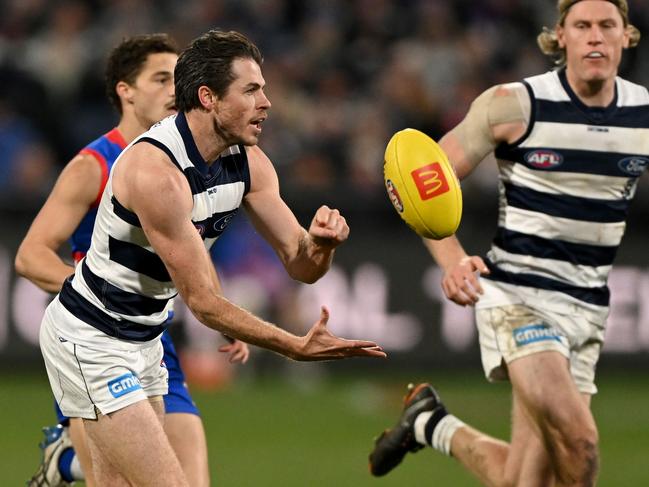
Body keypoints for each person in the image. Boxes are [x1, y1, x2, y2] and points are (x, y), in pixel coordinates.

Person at [35, 29, 385, 486]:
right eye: (251, 90)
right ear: (209, 98)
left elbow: (302, 265)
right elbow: (201, 302)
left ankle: (64, 465)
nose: (268, 102)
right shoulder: (155, 172)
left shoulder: (249, 163)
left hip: (143, 341)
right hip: (91, 338)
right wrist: (293, 346)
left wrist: (322, 245)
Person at [369, 1, 647, 486]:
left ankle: (430, 423)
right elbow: (424, 180)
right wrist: (451, 259)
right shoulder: (515, 105)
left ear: (628, 36)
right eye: (583, 26)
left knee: (529, 480)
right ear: (560, 36)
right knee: (580, 442)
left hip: (589, 307)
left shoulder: (640, 114)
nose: (596, 37)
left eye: (608, 26)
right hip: (518, 297)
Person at [16, 33, 250, 487]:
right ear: (126, 90)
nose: (172, 89)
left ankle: (68, 463)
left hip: (153, 342)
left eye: (177, 78)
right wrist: (95, 294)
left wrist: (224, 317)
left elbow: (189, 248)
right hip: (95, 340)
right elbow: (30, 256)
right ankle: (68, 460)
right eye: (161, 78)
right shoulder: (95, 165)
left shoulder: (181, 159)